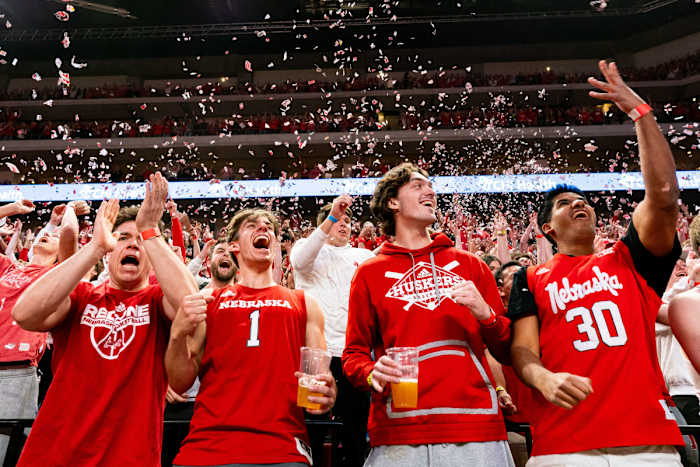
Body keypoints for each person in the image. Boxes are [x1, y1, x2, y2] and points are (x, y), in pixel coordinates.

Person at [508, 60, 683, 465]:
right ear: (548, 230)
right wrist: (543, 378)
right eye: (563, 204)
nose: (578, 203)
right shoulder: (530, 278)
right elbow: (523, 351)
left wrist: (642, 115)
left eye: (582, 200)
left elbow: (662, 196)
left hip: (647, 446)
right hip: (562, 445)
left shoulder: (630, 261)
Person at [12, 173, 198, 467]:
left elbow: (191, 305)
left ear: (151, 258)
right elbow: (24, 314)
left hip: (129, 456)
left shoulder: (157, 300)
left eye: (140, 241)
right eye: (123, 238)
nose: (132, 246)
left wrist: (150, 230)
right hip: (54, 454)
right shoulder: (81, 295)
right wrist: (94, 247)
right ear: (110, 251)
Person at [342, 163, 515, 466]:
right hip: (399, 429)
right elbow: (353, 354)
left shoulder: (471, 264)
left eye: (430, 186)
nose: (430, 191)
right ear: (392, 202)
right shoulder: (368, 273)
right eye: (418, 185)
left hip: (476, 425)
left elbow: (505, 348)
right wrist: (371, 372)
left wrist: (485, 313)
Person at [166, 208, 337, 466]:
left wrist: (327, 392)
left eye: (269, 226)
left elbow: (319, 382)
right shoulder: (208, 301)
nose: (263, 228)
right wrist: (178, 333)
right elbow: (179, 382)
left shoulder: (304, 303)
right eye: (252, 225)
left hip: (281, 447)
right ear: (233, 245)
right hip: (208, 446)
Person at [290, 195, 374, 467]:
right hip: (315, 354)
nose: (344, 225)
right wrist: (332, 217)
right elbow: (301, 259)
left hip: (354, 353)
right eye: (339, 220)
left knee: (355, 430)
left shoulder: (364, 256)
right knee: (311, 425)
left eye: (348, 221)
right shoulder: (306, 248)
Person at [0, 199, 81, 465]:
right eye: (47, 232)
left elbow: (72, 244)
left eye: (55, 236)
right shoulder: (10, 267)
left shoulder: (60, 275)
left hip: (15, 370)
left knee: (5, 450)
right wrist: (11, 209)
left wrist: (68, 210)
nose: (49, 233)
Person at [162, 238, 238, 466]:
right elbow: (163, 340)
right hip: (184, 402)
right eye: (219, 251)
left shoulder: (253, 302)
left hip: (228, 406)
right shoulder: (188, 297)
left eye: (230, 252)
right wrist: (164, 381)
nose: (224, 255)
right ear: (209, 261)